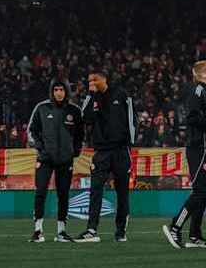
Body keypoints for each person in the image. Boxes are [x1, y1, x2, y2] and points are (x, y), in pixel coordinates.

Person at [163, 61, 206, 249]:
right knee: (199, 192)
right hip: (199, 148)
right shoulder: (197, 91)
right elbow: (191, 118)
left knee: (203, 194)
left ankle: (195, 235)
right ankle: (175, 226)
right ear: (201, 75)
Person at [76, 70, 136, 244]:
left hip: (120, 150)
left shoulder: (122, 94)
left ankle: (120, 231)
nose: (91, 83)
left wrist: (129, 145)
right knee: (95, 191)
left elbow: (132, 118)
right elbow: (84, 118)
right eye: (89, 81)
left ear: (104, 79)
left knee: (122, 192)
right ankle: (91, 229)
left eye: (94, 80)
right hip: (101, 152)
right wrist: (91, 95)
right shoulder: (92, 98)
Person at [26, 78, 84, 243]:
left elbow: (81, 134)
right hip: (44, 159)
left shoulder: (74, 110)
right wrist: (41, 148)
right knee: (40, 193)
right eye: (56, 90)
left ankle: (61, 231)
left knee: (63, 195)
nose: (59, 93)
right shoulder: (42, 108)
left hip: (65, 160)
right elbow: (31, 131)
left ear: (66, 91)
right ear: (52, 91)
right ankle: (38, 230)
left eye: (62, 90)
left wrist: (76, 150)